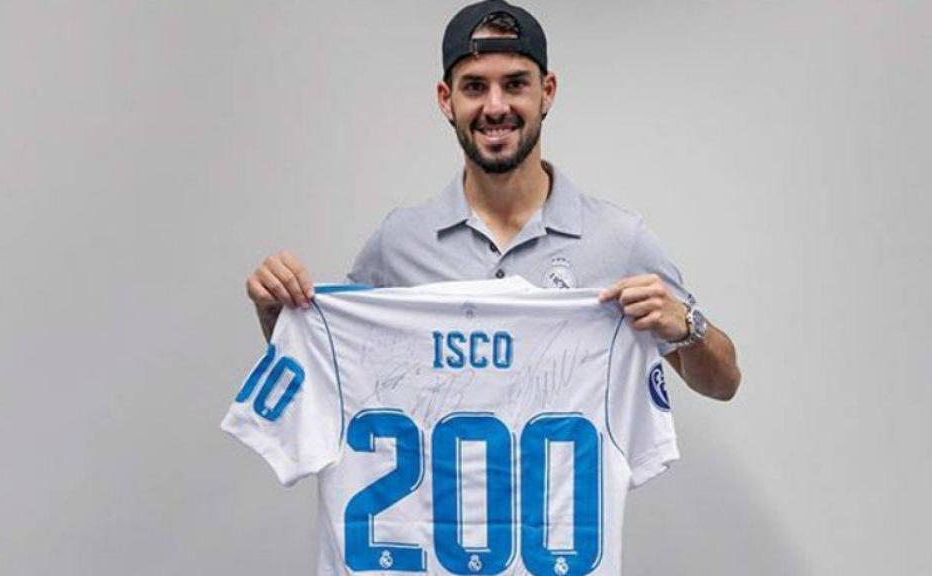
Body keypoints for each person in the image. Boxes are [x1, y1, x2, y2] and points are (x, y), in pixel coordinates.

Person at [245, 0, 741, 401]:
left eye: (516, 84)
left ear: (547, 91)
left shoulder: (619, 239)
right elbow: (329, 375)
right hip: (430, 525)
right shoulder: (400, 243)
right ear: (447, 100)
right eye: (475, 87)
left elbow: (723, 383)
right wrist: (276, 315)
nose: (496, 107)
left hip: (564, 525)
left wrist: (687, 326)